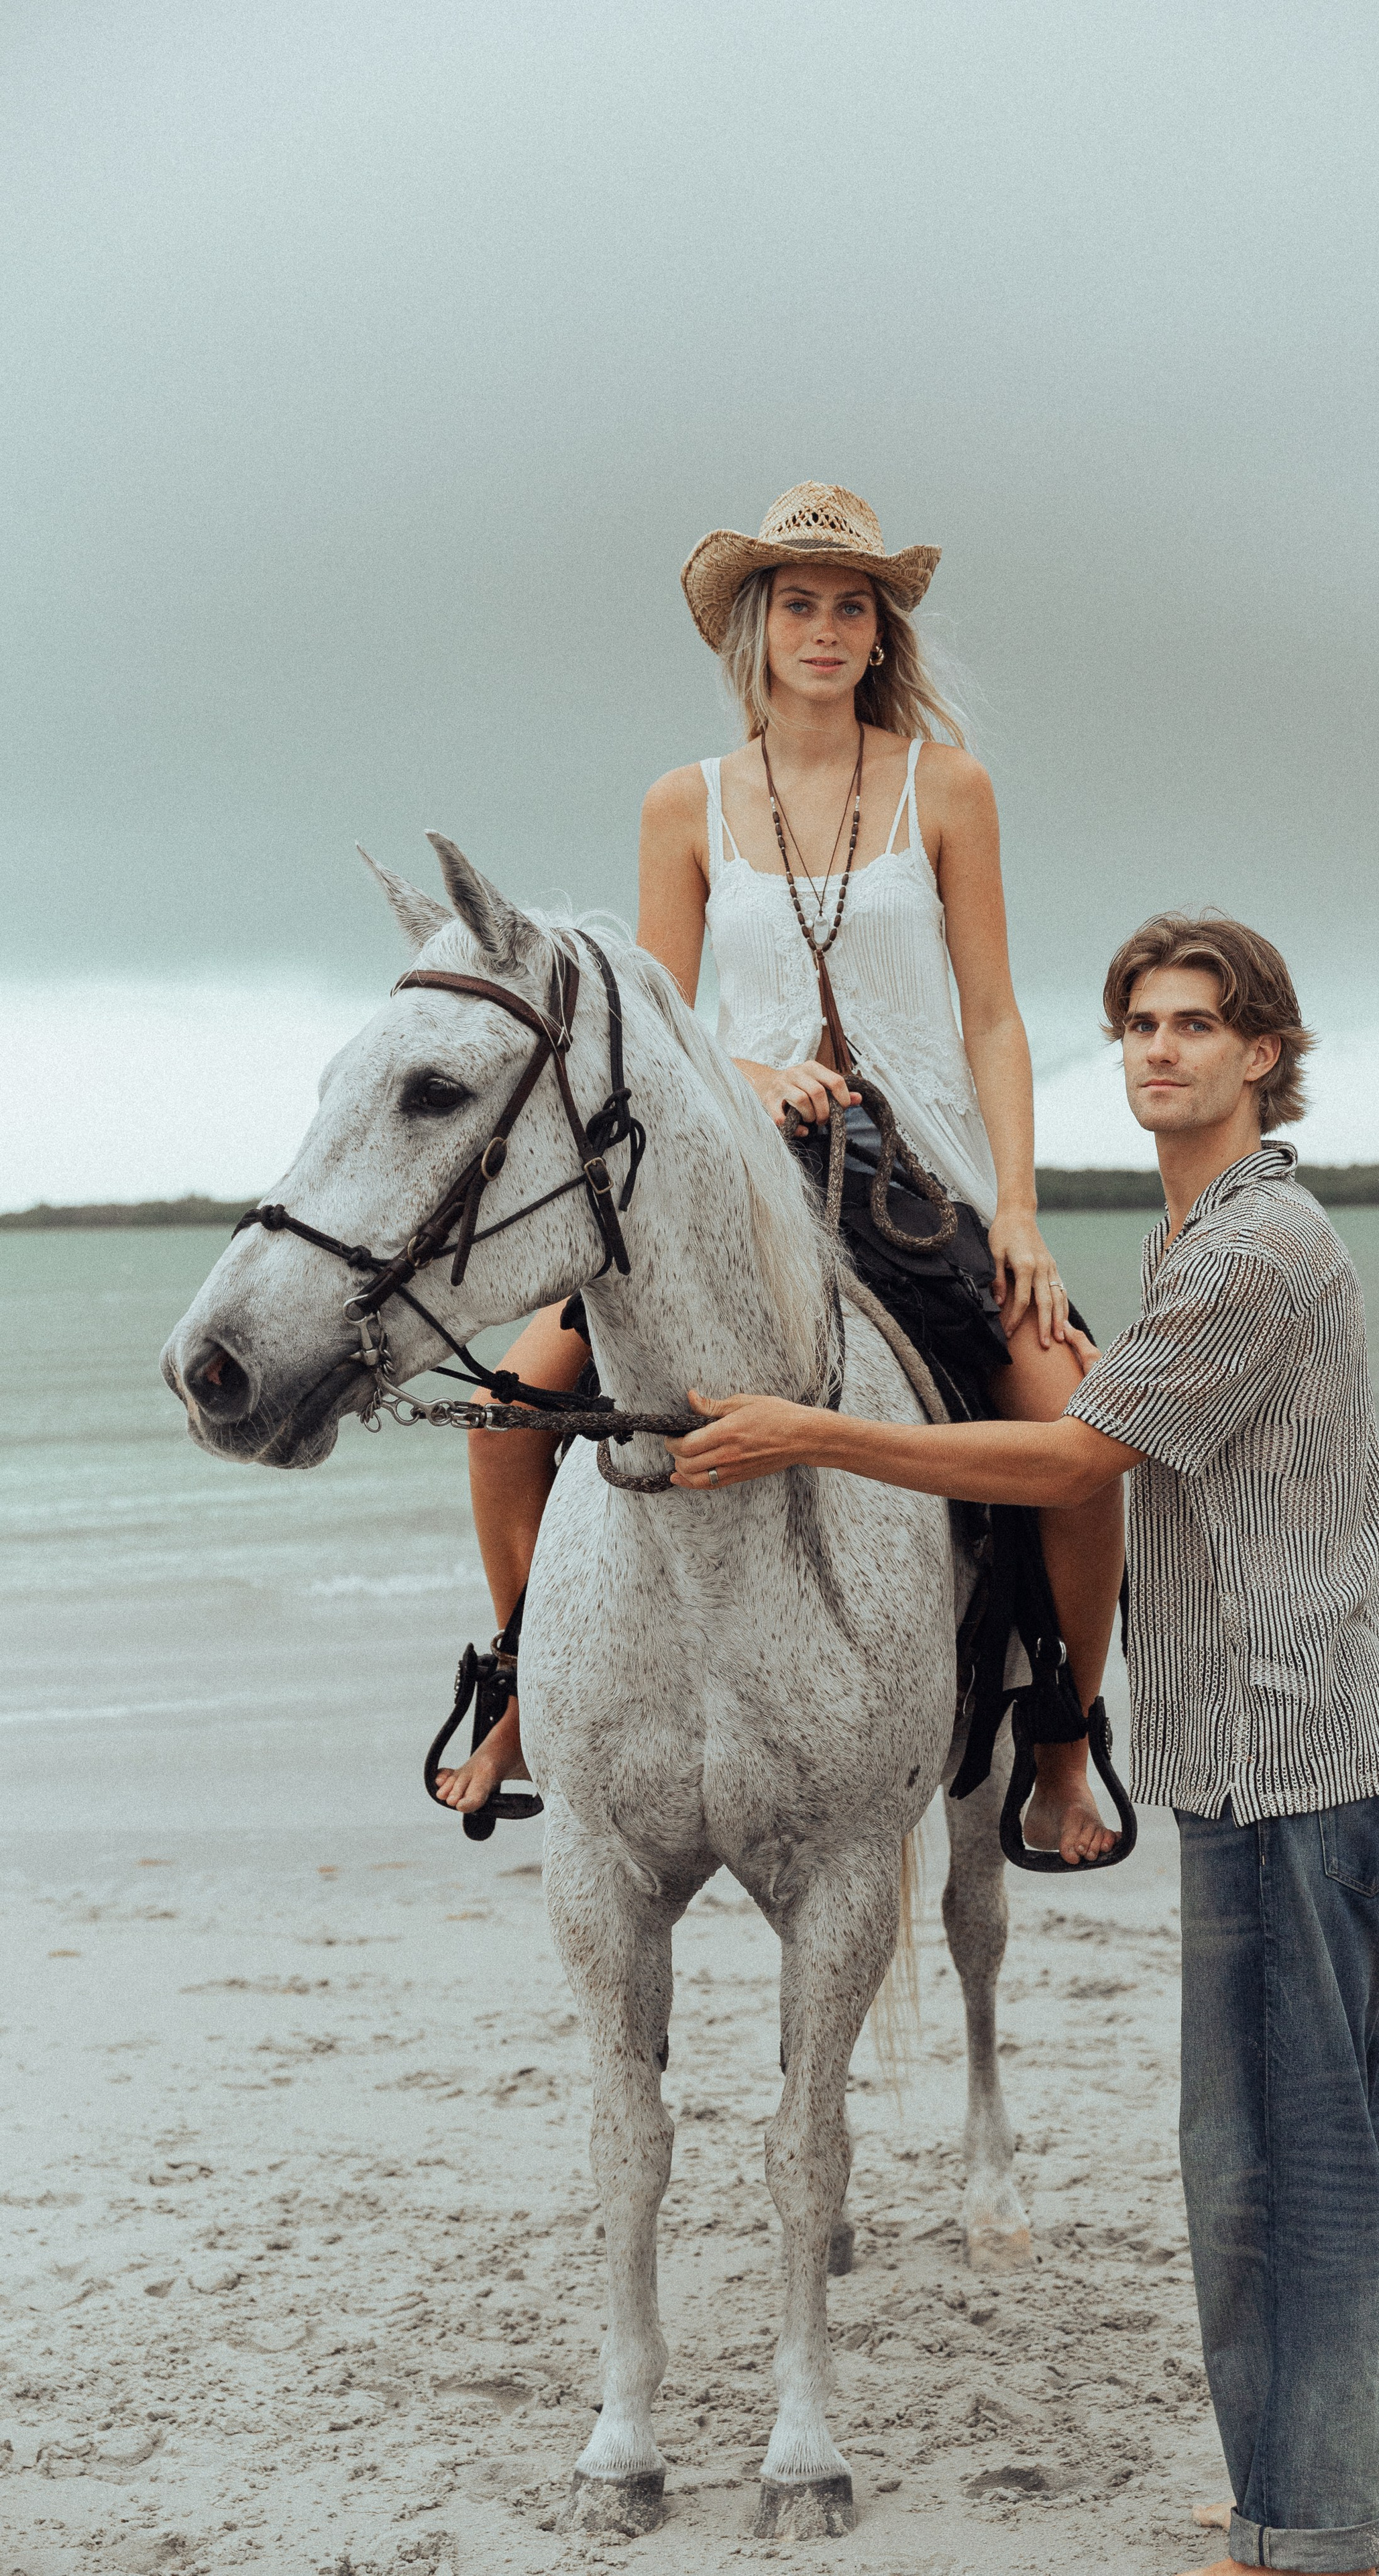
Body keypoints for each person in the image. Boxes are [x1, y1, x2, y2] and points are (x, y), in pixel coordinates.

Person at [666, 912, 1379, 2576]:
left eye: (1195, 1026)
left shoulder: (1247, 1255)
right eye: (1137, 1023)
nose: (1158, 1050)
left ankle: (1302, 2527)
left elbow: (1074, 1468)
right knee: (1322, 2136)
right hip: (1279, 1740)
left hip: (1290, 1749)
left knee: (1274, 2158)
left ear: (1261, 1056)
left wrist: (813, 1432)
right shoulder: (1208, 1234)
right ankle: (1337, 2498)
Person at [437, 481, 1125, 1865]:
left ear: (880, 636)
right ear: (752, 631)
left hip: (913, 1167)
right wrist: (746, 1078)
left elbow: (991, 1013)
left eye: (849, 607)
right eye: (797, 605)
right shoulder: (682, 803)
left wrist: (1020, 1212)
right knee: (504, 1409)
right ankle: (520, 1680)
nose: (823, 629)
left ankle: (1059, 1738)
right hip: (731, 1172)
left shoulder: (946, 784)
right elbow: (654, 1016)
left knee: (1069, 1423)